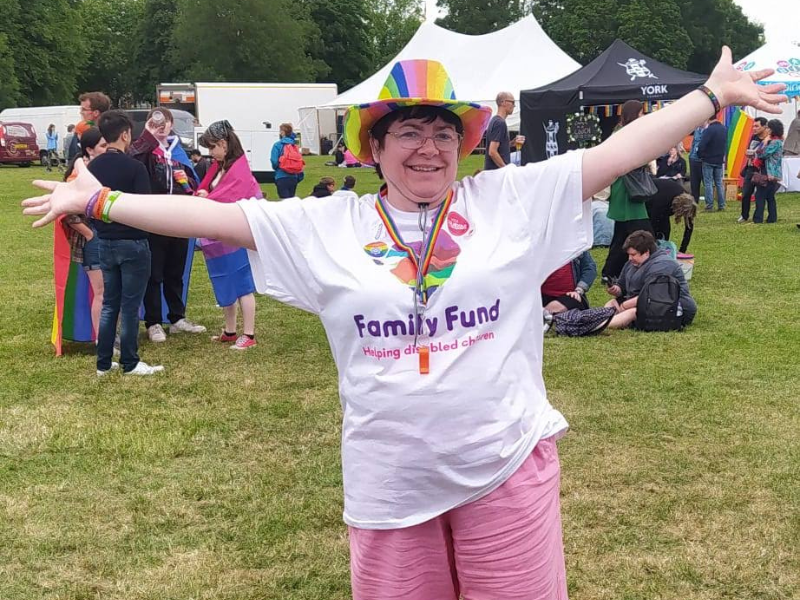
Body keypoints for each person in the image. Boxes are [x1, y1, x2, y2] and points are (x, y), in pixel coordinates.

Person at [21, 50, 785, 598]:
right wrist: (99, 201)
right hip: (390, 482)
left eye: (444, 133)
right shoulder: (331, 224)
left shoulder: (507, 203)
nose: (429, 146)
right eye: (408, 132)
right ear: (375, 147)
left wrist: (710, 97)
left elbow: (618, 152)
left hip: (504, 467)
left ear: (465, 144)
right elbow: (215, 215)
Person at [86, 110, 163, 376]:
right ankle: (130, 362)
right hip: (133, 243)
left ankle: (103, 363)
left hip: (104, 242)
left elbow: (87, 206)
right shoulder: (135, 167)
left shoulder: (92, 168)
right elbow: (145, 208)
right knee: (130, 306)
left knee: (110, 303)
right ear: (125, 134)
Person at [130, 107, 206, 342]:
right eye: (156, 122)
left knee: (175, 271)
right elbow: (133, 159)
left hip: (179, 219)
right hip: (154, 219)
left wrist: (191, 184)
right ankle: (153, 322)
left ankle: (176, 317)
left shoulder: (177, 150)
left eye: (166, 122)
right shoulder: (144, 148)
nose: (162, 127)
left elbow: (192, 180)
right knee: (154, 273)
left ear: (172, 124)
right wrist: (148, 135)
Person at [196, 120, 260, 350]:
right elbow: (215, 192)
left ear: (223, 144)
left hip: (236, 235)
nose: (211, 153)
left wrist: (206, 198)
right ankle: (230, 330)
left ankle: (249, 333)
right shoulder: (219, 166)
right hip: (218, 235)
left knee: (242, 283)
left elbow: (230, 197)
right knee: (224, 281)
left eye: (212, 147)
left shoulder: (239, 171)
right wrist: (204, 193)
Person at [60, 127, 108, 341]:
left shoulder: (103, 169)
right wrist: (90, 234)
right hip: (95, 237)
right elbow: (68, 213)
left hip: (108, 235)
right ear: (89, 149)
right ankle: (101, 339)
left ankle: (110, 336)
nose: (107, 150)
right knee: (101, 291)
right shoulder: (77, 176)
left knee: (111, 291)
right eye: (103, 146)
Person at [602, 100, 655, 280]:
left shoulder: (620, 131)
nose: (643, 116)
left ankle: (610, 271)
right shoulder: (626, 133)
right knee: (643, 231)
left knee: (621, 233)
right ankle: (652, 264)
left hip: (624, 186)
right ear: (633, 114)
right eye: (641, 113)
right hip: (628, 187)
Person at [604, 230, 697, 330]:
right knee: (613, 303)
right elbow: (621, 287)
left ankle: (601, 325)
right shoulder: (631, 263)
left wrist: (624, 306)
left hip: (671, 307)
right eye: (629, 254)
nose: (630, 258)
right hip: (641, 303)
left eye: (633, 254)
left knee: (632, 312)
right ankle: (601, 319)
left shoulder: (663, 265)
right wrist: (616, 289)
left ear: (647, 252)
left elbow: (652, 295)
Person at [753, 118, 784, 224]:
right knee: (770, 196)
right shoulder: (778, 141)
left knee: (760, 195)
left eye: (768, 127)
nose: (767, 129)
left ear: (772, 129)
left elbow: (763, 154)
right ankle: (772, 218)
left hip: (769, 172)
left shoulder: (775, 142)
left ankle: (758, 218)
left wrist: (764, 143)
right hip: (772, 172)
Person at [484, 91, 524, 170]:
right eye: (512, 102)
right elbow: (492, 152)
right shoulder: (499, 123)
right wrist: (505, 169)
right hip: (496, 174)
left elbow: (498, 148)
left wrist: (512, 143)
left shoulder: (495, 120)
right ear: (503, 102)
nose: (514, 105)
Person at [739, 116, 769, 223]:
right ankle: (744, 215)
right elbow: (748, 151)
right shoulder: (753, 137)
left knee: (760, 195)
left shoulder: (769, 139)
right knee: (746, 193)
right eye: (753, 126)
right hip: (750, 168)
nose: (754, 128)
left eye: (757, 126)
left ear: (765, 127)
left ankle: (758, 217)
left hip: (762, 169)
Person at [69, 91, 112, 160]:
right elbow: (73, 157)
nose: (81, 112)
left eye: (84, 109)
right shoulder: (82, 131)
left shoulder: (112, 135)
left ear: (96, 113)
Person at [698, 115, 728, 211]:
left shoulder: (708, 130)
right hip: (719, 159)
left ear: (708, 118)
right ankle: (721, 205)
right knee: (719, 183)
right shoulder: (724, 129)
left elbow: (702, 144)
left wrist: (700, 155)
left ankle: (709, 205)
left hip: (708, 159)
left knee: (708, 183)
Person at [270, 123, 304, 198]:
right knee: (291, 199)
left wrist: (277, 168)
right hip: (293, 177)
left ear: (282, 132)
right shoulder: (294, 145)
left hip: (281, 175)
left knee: (284, 201)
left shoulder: (277, 145)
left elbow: (274, 160)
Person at [687, 122, 706, 204]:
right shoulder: (697, 130)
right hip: (693, 159)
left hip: (702, 160)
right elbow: (694, 142)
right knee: (694, 181)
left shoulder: (707, 131)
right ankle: (695, 200)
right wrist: (691, 155)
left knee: (705, 180)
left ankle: (709, 200)